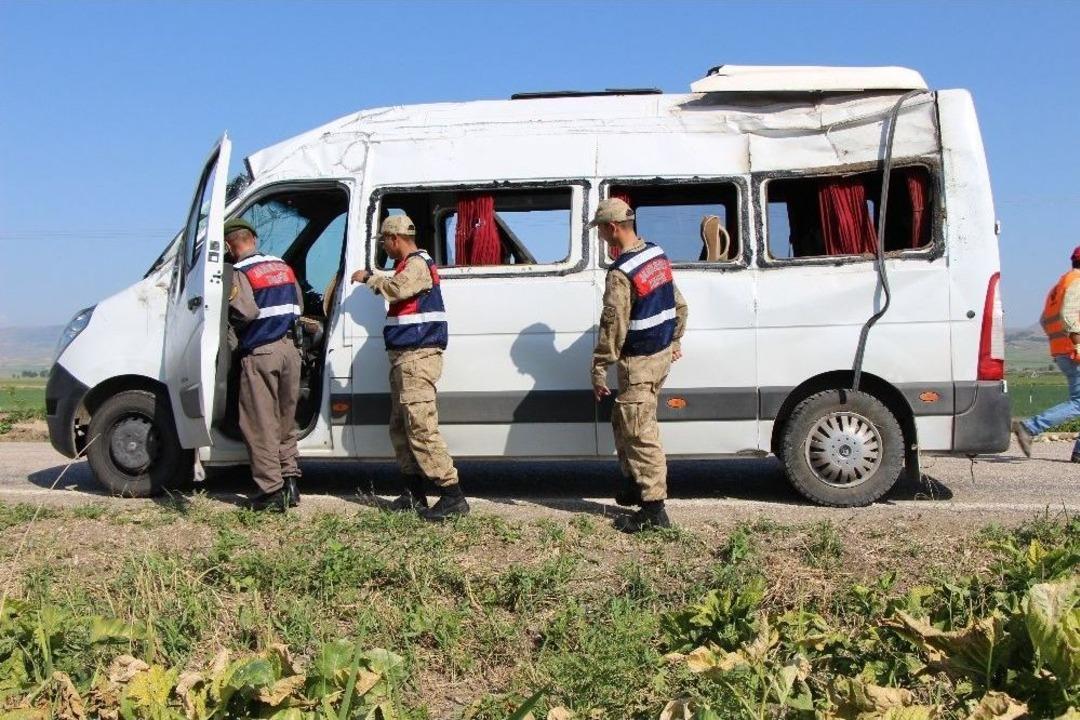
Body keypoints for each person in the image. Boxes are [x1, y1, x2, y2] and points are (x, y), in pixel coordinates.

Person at [350, 215, 467, 521]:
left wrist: (368, 278)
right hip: (405, 357)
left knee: (420, 426)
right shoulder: (410, 264)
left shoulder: (416, 264)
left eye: (384, 242)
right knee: (401, 427)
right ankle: (413, 493)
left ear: (394, 239)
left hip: (417, 357)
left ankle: (452, 495)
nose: (385, 248)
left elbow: (394, 290)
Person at [590, 198, 688, 532]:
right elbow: (678, 304)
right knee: (624, 421)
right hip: (659, 357)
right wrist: (675, 340)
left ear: (612, 228)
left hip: (640, 363)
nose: (602, 237)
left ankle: (653, 510)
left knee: (641, 432)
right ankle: (633, 483)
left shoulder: (621, 272)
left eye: (601, 231)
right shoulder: (655, 255)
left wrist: (599, 366)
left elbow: (612, 326)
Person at [223, 218, 303, 511]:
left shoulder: (239, 272)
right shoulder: (281, 265)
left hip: (261, 352)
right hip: (289, 350)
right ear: (253, 238)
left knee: (259, 423)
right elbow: (299, 305)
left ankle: (271, 491)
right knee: (285, 421)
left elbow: (244, 311)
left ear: (231, 247)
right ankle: (290, 481)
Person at [1014, 245, 1080, 462]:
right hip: (1074, 352)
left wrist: (1059, 343)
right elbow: (1069, 315)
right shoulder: (1078, 281)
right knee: (1079, 402)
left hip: (1062, 352)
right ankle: (1029, 427)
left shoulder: (1060, 285)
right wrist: (1076, 345)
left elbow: (1045, 320)